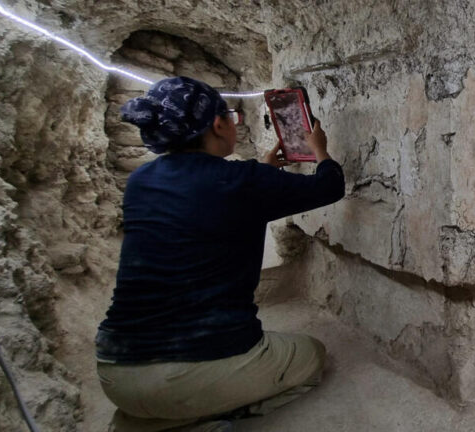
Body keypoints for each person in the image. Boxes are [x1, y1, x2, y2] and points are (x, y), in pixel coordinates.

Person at [95, 76, 345, 432]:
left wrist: (261, 171)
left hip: (114, 373)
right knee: (311, 357)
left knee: (156, 400)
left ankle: (148, 418)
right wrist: (319, 149)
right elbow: (330, 186)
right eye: (230, 116)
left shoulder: (141, 181)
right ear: (217, 124)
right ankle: (200, 420)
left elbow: (207, 199)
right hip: (191, 368)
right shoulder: (242, 181)